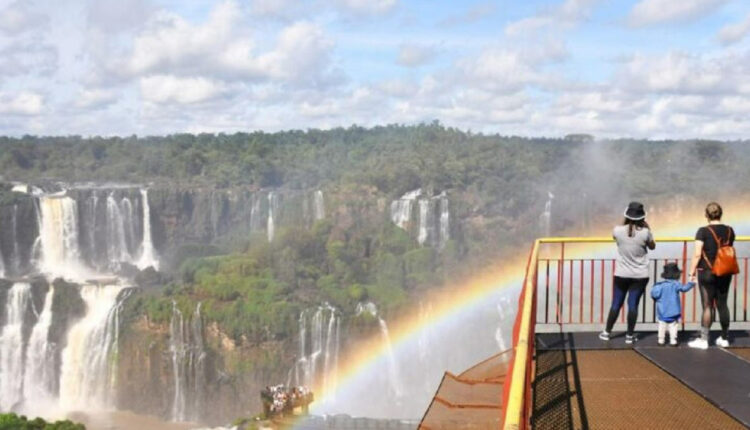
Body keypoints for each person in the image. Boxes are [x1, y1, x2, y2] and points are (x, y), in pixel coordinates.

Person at [600, 202, 655, 344]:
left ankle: (606, 332)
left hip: (621, 274)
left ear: (627, 215)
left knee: (616, 304)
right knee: (633, 305)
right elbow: (652, 246)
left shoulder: (617, 230)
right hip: (640, 275)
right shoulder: (645, 233)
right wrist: (648, 229)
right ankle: (629, 336)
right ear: (642, 217)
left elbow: (617, 239)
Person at [688, 202, 735, 349]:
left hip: (707, 271)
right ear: (721, 214)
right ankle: (725, 338)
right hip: (725, 271)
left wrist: (691, 272)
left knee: (707, 306)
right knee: (722, 304)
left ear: (706, 215)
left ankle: (703, 340)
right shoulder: (730, 230)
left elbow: (697, 254)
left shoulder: (702, 231)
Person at [650, 262, 695, 346]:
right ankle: (673, 340)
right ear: (676, 274)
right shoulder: (676, 284)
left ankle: (661, 340)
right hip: (674, 311)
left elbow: (654, 294)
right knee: (673, 326)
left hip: (662, 311)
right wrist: (691, 283)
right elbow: (684, 289)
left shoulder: (660, 285)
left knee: (661, 325)